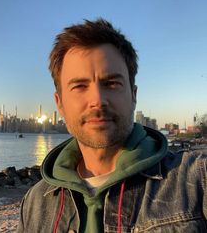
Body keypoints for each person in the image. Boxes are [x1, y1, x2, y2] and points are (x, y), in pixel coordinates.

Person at [17, 19, 207, 233]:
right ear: (60, 104)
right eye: (79, 86)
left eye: (112, 83)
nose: (98, 99)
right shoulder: (34, 204)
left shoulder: (197, 181)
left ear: (133, 95)